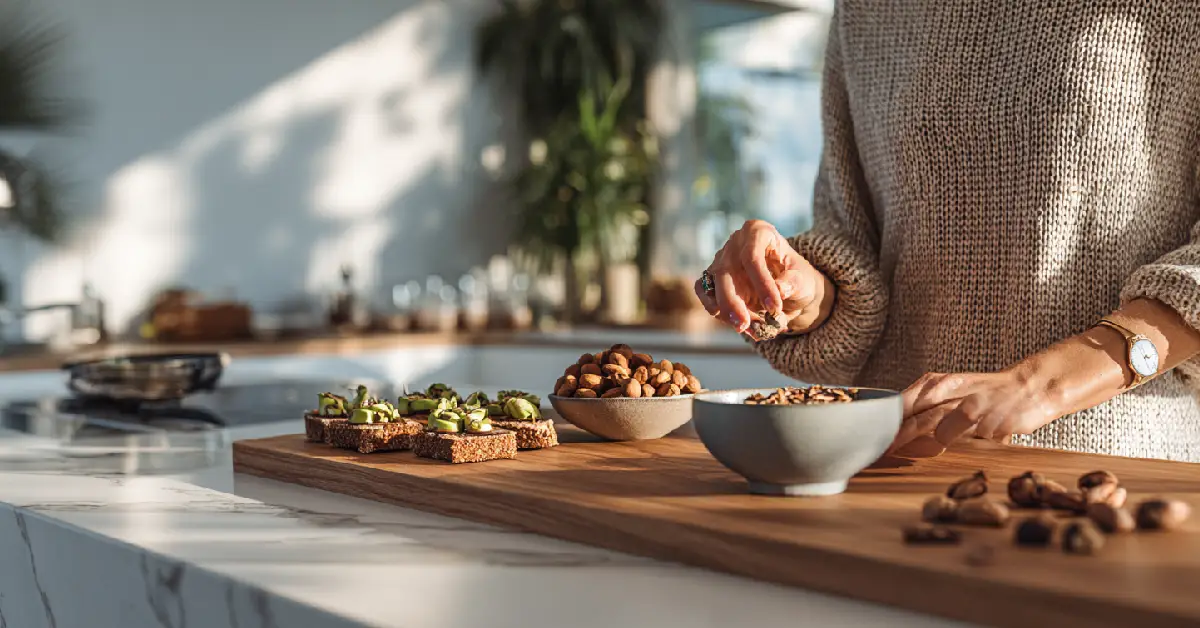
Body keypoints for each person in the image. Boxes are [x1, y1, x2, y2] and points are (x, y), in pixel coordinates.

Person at [695, 2, 1200, 463]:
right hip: (894, 461)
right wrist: (800, 292)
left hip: (1109, 469)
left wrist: (1043, 385)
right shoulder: (864, 13)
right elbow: (854, 245)